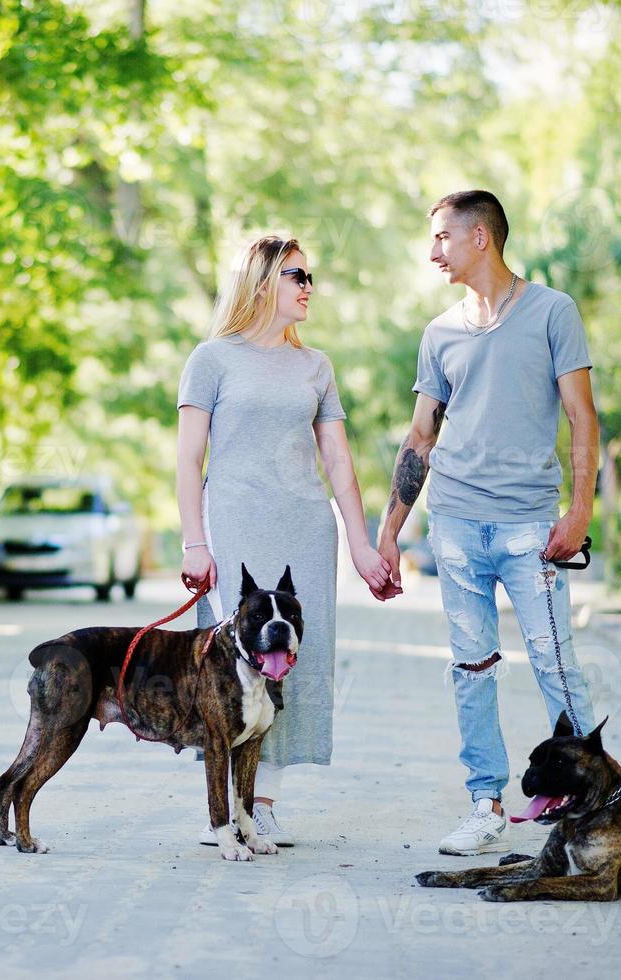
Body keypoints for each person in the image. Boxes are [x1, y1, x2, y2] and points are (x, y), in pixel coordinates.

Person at [376, 189, 600, 856]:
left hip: (531, 527)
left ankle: (599, 802)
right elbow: (419, 437)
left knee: (556, 668)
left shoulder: (552, 312)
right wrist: (390, 530)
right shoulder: (438, 332)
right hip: (454, 525)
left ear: (481, 238)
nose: (431, 251)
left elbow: (581, 417)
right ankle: (484, 803)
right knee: (470, 668)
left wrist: (579, 510)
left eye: (442, 236)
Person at [176, 234, 394, 848]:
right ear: (262, 280)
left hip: (304, 528)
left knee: (290, 663)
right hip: (235, 523)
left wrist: (361, 544)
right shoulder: (211, 358)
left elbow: (339, 463)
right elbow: (189, 460)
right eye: (297, 275)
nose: (308, 287)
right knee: (229, 665)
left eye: (310, 277)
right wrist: (195, 542)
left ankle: (262, 804)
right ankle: (224, 811)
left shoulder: (315, 366)